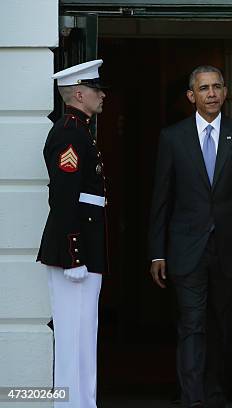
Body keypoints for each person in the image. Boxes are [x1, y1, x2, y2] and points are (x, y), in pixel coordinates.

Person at [149, 65, 232, 408]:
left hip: (231, 248)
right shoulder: (173, 137)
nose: (211, 93)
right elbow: (162, 198)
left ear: (226, 92)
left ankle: (216, 396)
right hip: (187, 248)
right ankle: (192, 400)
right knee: (192, 326)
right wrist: (157, 252)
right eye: (204, 88)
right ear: (191, 96)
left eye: (217, 87)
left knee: (222, 328)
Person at [37, 59, 108, 408]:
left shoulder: (80, 130)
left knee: (83, 334)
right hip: (74, 253)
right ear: (79, 93)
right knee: (72, 336)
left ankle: (83, 402)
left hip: (84, 249)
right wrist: (74, 254)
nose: (102, 95)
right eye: (97, 90)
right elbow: (64, 198)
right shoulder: (69, 131)